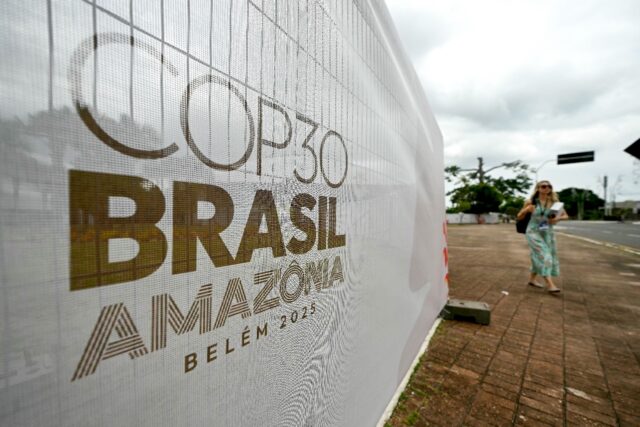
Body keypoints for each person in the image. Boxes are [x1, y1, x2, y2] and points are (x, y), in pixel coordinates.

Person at [517, 180, 569, 294]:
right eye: (543, 186)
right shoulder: (530, 202)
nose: (546, 188)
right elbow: (519, 217)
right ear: (538, 189)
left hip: (547, 232)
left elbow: (565, 215)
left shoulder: (554, 203)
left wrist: (557, 218)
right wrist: (526, 210)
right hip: (533, 232)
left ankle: (532, 279)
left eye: (549, 186)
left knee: (541, 255)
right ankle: (550, 284)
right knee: (545, 255)